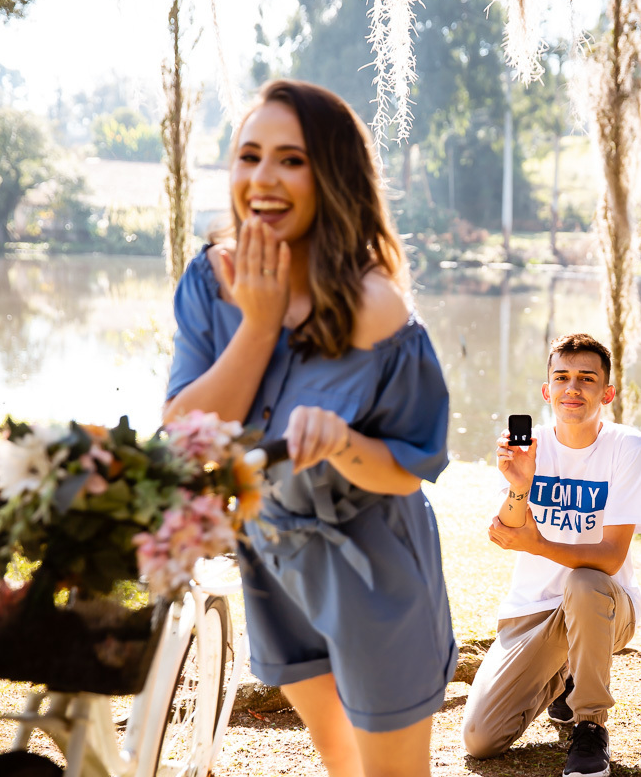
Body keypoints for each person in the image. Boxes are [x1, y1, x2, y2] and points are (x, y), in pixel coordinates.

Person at [164, 79, 455, 777]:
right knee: (339, 761)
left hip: (372, 571)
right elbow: (182, 435)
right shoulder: (212, 281)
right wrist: (258, 327)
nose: (263, 178)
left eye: (291, 160)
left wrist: (346, 445)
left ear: (331, 175)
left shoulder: (376, 309)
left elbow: (409, 465)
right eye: (249, 155)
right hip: (269, 555)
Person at [462, 333, 641, 777]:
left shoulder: (627, 447)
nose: (573, 387)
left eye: (587, 378)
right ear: (546, 390)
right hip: (533, 613)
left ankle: (590, 726)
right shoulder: (529, 447)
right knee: (480, 740)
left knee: (584, 581)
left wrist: (538, 544)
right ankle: (562, 676)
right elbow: (507, 532)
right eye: (562, 377)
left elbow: (609, 559)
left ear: (606, 393)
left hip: (605, 606)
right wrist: (519, 484)